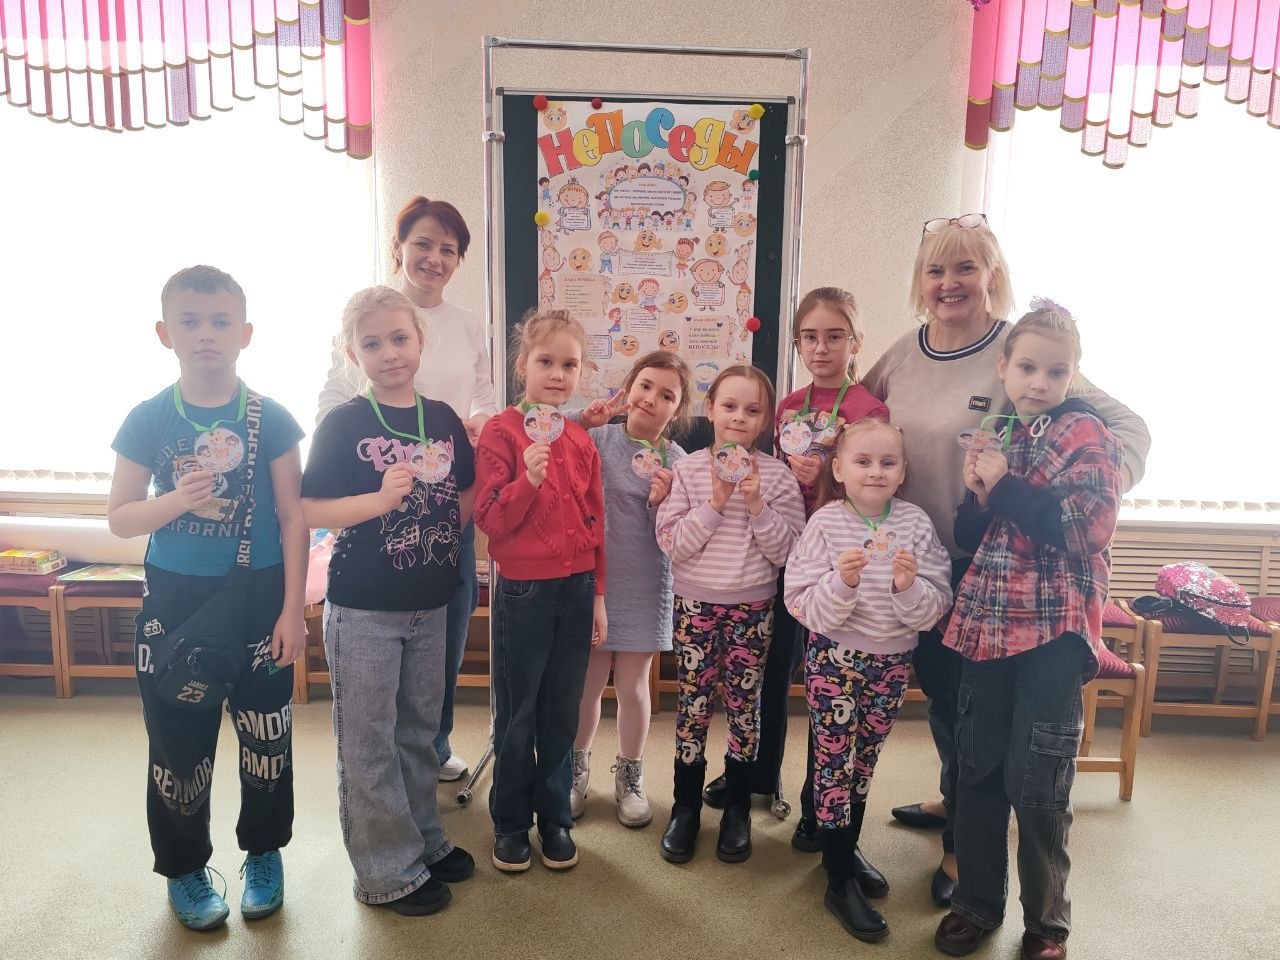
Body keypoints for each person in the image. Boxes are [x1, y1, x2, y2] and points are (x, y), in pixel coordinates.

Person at [860, 214, 1150, 909]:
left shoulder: (1024, 353)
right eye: (936, 269)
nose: (949, 282)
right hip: (914, 564)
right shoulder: (902, 353)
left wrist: (1086, 496)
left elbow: (1125, 428)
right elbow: (855, 416)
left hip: (988, 570)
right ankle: (955, 800)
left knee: (977, 719)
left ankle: (963, 846)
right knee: (948, 705)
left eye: (966, 267)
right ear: (920, 280)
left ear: (992, 276)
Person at [108, 265, 307, 930]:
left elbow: (293, 518)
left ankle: (264, 852)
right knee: (178, 744)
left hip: (260, 594)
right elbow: (121, 517)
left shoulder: (271, 418)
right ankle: (185, 867)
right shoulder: (148, 418)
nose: (206, 335)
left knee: (265, 736)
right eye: (190, 322)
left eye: (221, 322)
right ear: (164, 332)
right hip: (175, 601)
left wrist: (292, 611)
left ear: (245, 333)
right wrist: (175, 500)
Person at [933, 302, 1120, 960]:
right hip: (986, 624)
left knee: (1039, 783)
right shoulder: (998, 431)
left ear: (1074, 375)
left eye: (1056, 371)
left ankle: (1046, 923)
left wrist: (1006, 487)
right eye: (1028, 368)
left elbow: (1088, 528)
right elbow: (970, 532)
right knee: (977, 771)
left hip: (1051, 632)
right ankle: (975, 903)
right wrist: (981, 495)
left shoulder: (1087, 432)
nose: (1040, 382)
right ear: (1004, 368)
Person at [301, 286, 476, 916]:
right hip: (364, 610)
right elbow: (310, 508)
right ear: (354, 354)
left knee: (418, 733)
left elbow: (467, 492)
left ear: (420, 341)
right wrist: (379, 502)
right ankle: (384, 872)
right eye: (372, 343)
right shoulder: (344, 423)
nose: (390, 353)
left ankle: (421, 840)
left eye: (400, 338)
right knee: (369, 742)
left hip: (430, 605)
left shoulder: (444, 419)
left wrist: (436, 534)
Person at [703, 288, 889, 875]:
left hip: (841, 561)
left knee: (828, 688)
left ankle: (817, 808)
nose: (821, 348)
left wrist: (827, 478)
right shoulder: (786, 405)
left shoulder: (868, 409)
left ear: (855, 343)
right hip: (789, 556)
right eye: (810, 337)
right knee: (770, 673)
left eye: (834, 336)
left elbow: (875, 485)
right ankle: (759, 774)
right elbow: (768, 475)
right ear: (798, 344)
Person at [317, 197, 496, 783]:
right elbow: (333, 405)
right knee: (377, 653)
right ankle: (382, 762)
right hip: (380, 509)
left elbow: (486, 398)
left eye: (448, 249)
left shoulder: (469, 325)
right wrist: (362, 485)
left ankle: (432, 747)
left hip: (447, 507)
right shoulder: (369, 317)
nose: (434, 258)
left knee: (442, 641)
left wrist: (478, 426)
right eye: (423, 243)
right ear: (400, 248)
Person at [785, 418, 952, 942]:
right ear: (838, 469)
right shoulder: (825, 524)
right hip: (834, 659)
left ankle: (845, 848)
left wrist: (907, 587)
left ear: (902, 471)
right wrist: (843, 582)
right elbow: (799, 601)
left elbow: (936, 606)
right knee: (833, 766)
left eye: (887, 462)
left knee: (863, 764)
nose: (875, 471)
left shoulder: (916, 524)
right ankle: (838, 880)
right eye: (863, 461)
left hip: (892, 662)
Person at [473, 309, 607, 873]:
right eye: (546, 362)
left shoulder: (579, 438)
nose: (557, 374)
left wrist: (598, 595)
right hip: (524, 589)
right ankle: (509, 821)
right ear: (522, 365)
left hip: (576, 588)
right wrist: (527, 480)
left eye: (569, 365)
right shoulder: (501, 432)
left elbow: (595, 520)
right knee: (518, 710)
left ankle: (555, 817)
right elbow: (489, 519)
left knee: (562, 708)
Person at [654, 365, 806, 864]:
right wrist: (716, 502)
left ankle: (738, 808)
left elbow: (789, 552)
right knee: (693, 705)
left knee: (745, 708)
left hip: (753, 607)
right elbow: (673, 544)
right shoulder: (688, 470)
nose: (739, 417)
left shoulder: (777, 476)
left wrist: (756, 503)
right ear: (711, 409)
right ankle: (685, 807)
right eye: (729, 406)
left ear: (765, 420)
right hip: (695, 605)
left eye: (752, 409)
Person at [570, 352, 692, 828]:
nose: (651, 399)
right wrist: (583, 418)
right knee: (587, 685)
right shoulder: (596, 437)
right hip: (593, 583)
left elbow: (681, 536)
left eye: (666, 395)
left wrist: (662, 503)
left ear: (678, 409)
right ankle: (575, 770)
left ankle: (630, 775)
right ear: (628, 386)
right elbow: (542, 432)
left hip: (646, 582)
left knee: (634, 686)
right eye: (645, 385)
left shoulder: (679, 463)